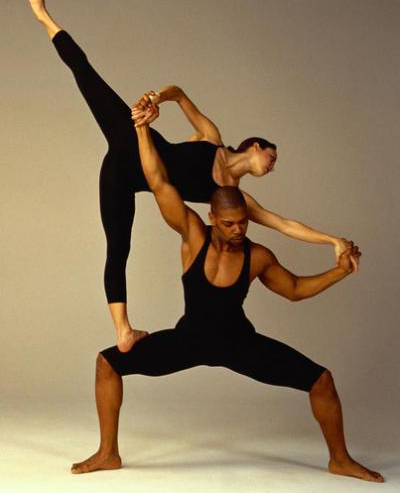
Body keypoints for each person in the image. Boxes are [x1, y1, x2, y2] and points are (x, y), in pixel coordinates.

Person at [26, 0, 354, 353]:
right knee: (86, 73)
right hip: (137, 138)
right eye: (271, 158)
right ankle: (42, 14)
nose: (272, 166)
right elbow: (179, 93)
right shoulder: (212, 138)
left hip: (124, 178)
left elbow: (283, 224)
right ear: (256, 146)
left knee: (118, 248)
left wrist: (331, 240)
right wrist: (156, 98)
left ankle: (122, 332)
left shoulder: (230, 198)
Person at [69, 113, 383, 482]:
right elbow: (158, 181)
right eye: (229, 223)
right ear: (212, 216)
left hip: (239, 344)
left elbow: (295, 290)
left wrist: (339, 271)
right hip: (188, 341)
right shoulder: (192, 236)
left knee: (322, 381)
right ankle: (108, 453)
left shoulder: (258, 256)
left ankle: (340, 460)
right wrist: (141, 130)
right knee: (107, 363)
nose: (237, 231)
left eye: (243, 223)